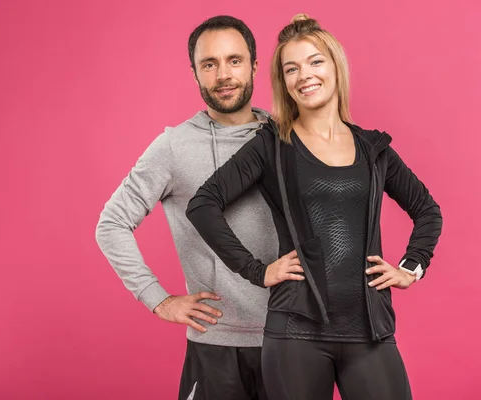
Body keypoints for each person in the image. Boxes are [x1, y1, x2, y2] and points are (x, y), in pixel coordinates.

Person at [186, 14, 443, 400]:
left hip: (369, 330)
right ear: (284, 82)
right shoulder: (270, 145)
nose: (304, 75)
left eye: (315, 62)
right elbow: (203, 204)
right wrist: (257, 271)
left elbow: (427, 209)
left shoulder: (374, 150)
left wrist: (412, 266)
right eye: (292, 69)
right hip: (294, 333)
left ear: (335, 66)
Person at [96, 15, 278, 400]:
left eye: (234, 60)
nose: (223, 74)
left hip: (292, 341)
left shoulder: (287, 138)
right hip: (215, 347)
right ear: (195, 74)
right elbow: (112, 223)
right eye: (209, 64)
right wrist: (157, 299)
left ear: (255, 66)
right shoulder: (174, 147)